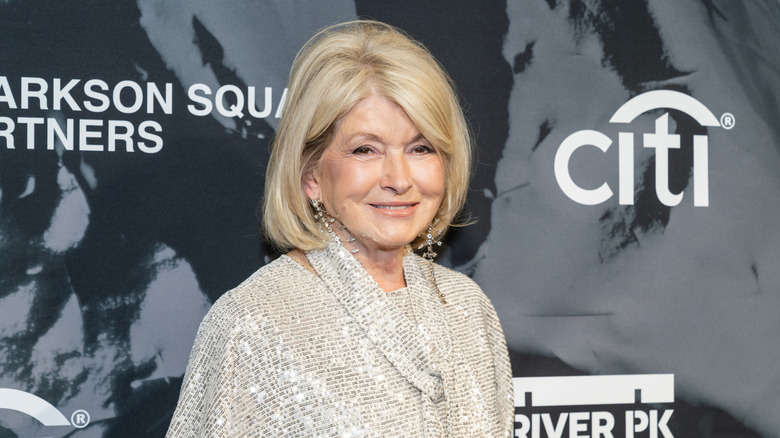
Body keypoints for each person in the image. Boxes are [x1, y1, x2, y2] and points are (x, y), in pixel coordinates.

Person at [166, 20, 513, 437]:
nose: (399, 179)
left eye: (421, 148)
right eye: (365, 149)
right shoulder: (253, 322)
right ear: (311, 174)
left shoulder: (466, 307)